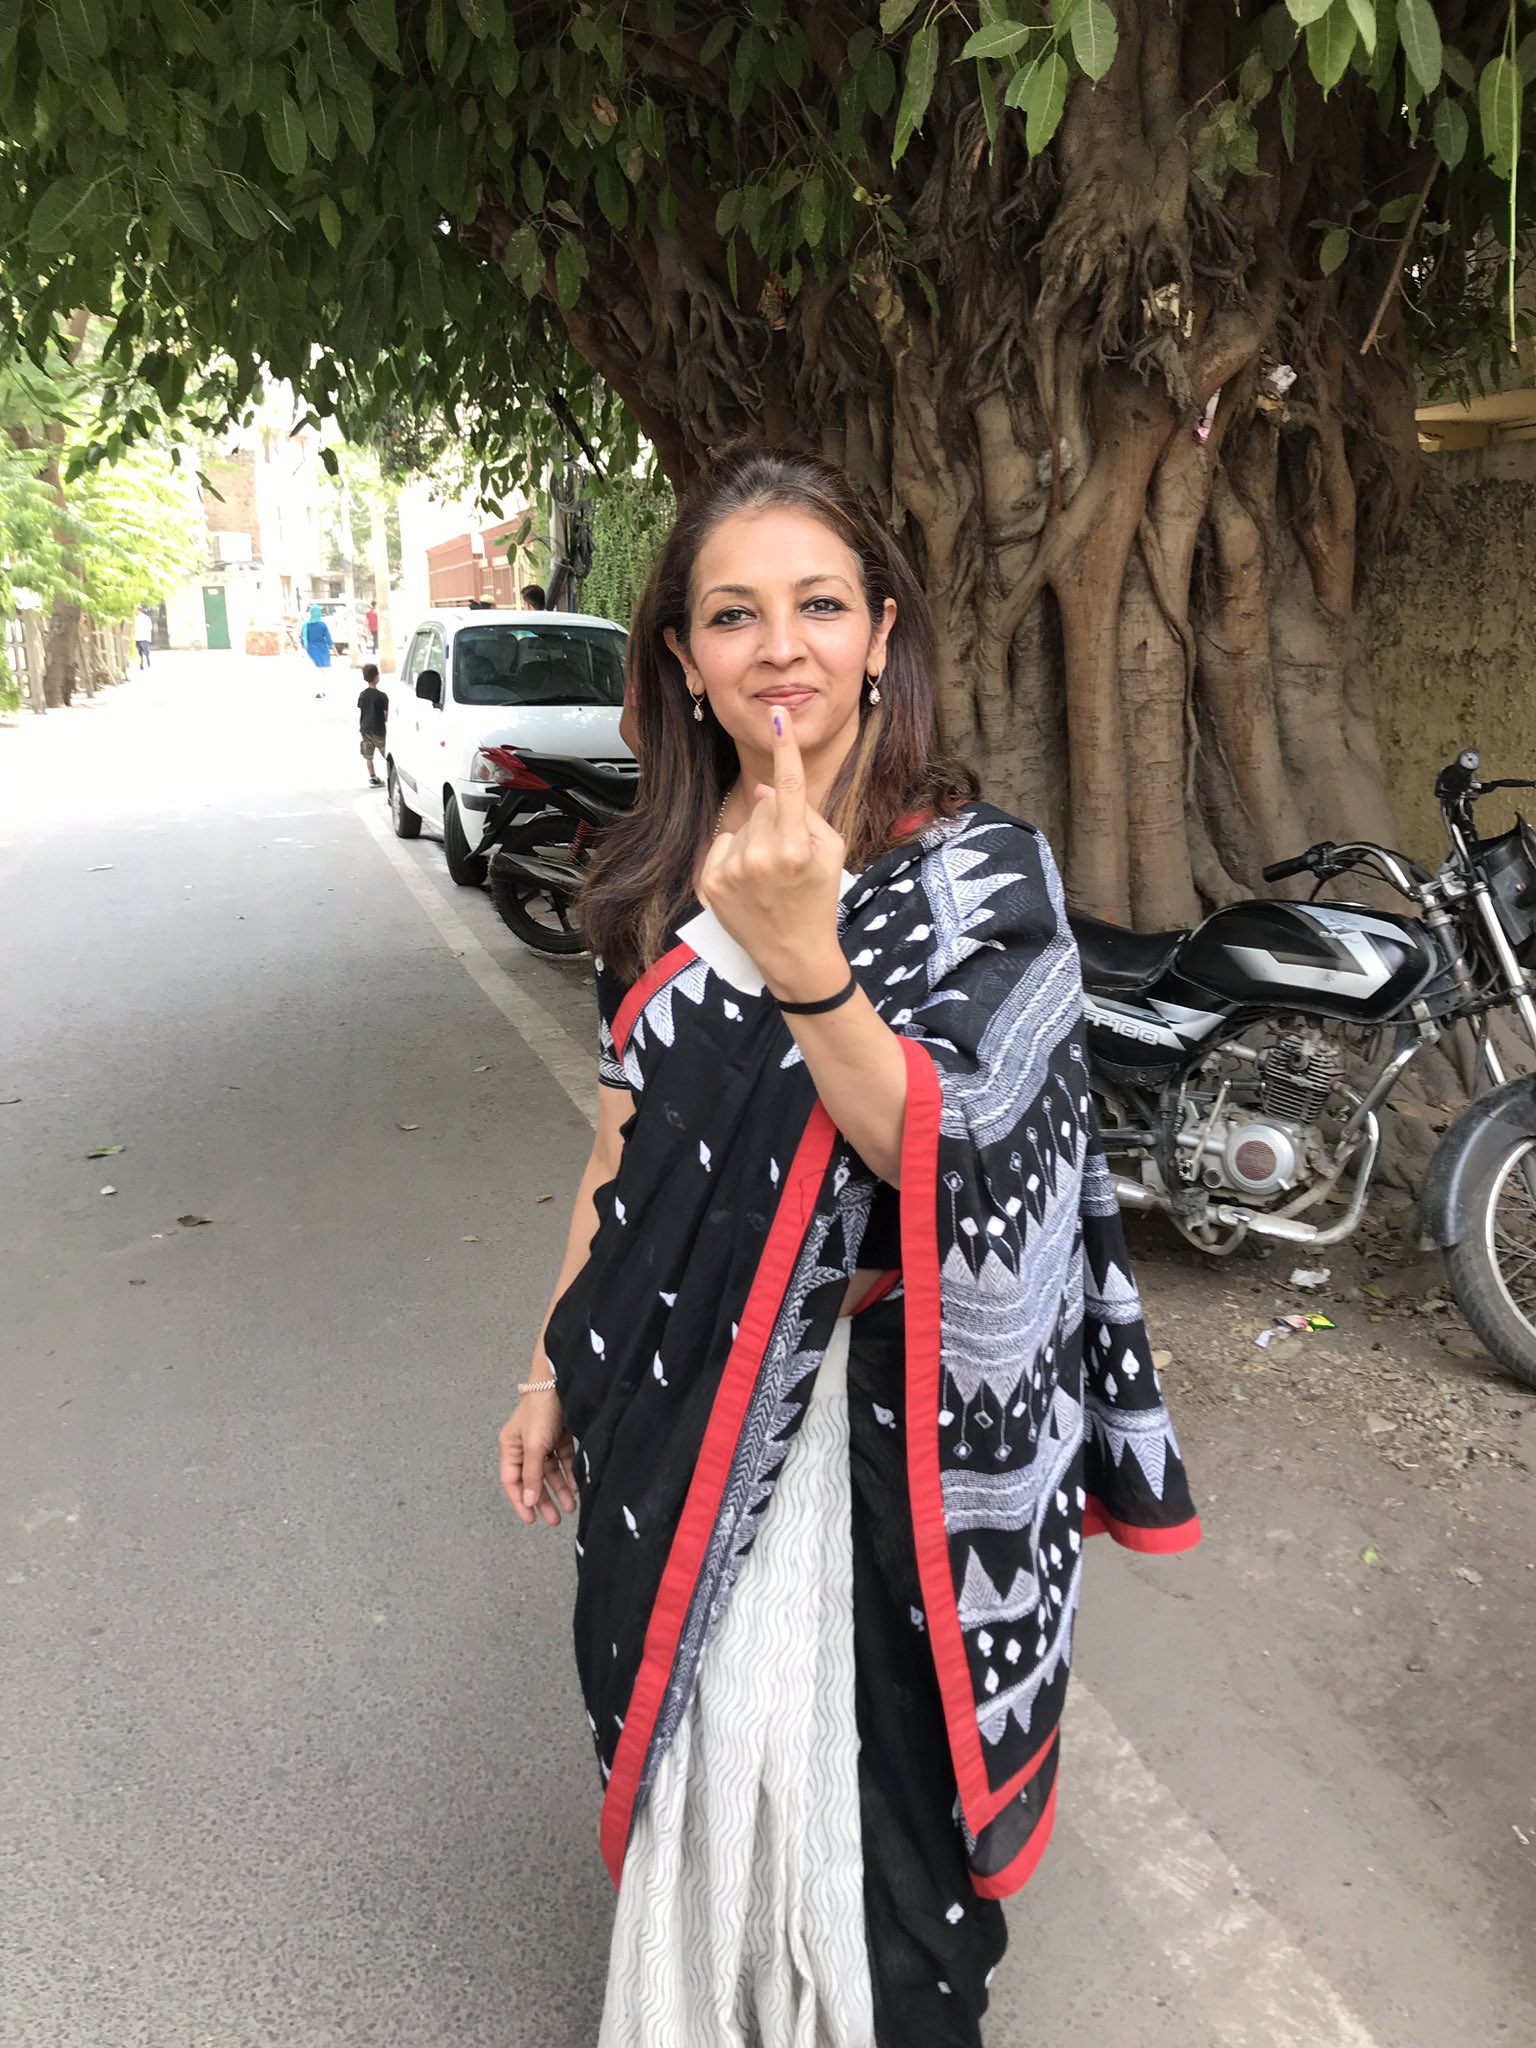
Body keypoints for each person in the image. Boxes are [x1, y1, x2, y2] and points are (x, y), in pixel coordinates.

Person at [497, 446, 1200, 2048]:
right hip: (681, 1395)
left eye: (819, 605)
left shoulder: (975, 875)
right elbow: (621, 1151)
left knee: (883, 1828)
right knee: (699, 1754)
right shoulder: (655, 883)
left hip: (886, 1434)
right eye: (732, 615)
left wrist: (808, 958)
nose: (780, 648)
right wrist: (547, 1369)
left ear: (883, 633)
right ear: (683, 658)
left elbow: (939, 1143)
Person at [357, 663, 388, 787]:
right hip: (378, 730)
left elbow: (362, 709)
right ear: (377, 676)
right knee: (387, 753)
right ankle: (391, 776)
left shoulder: (362, 694)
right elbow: (385, 714)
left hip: (365, 729)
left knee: (368, 756)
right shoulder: (382, 696)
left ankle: (373, 778)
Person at [300, 603, 333, 669]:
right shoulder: (322, 624)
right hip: (322, 648)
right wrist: (333, 648)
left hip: (311, 648)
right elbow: (328, 637)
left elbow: (302, 637)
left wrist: (304, 646)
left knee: (314, 667)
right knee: (323, 668)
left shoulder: (306, 624)